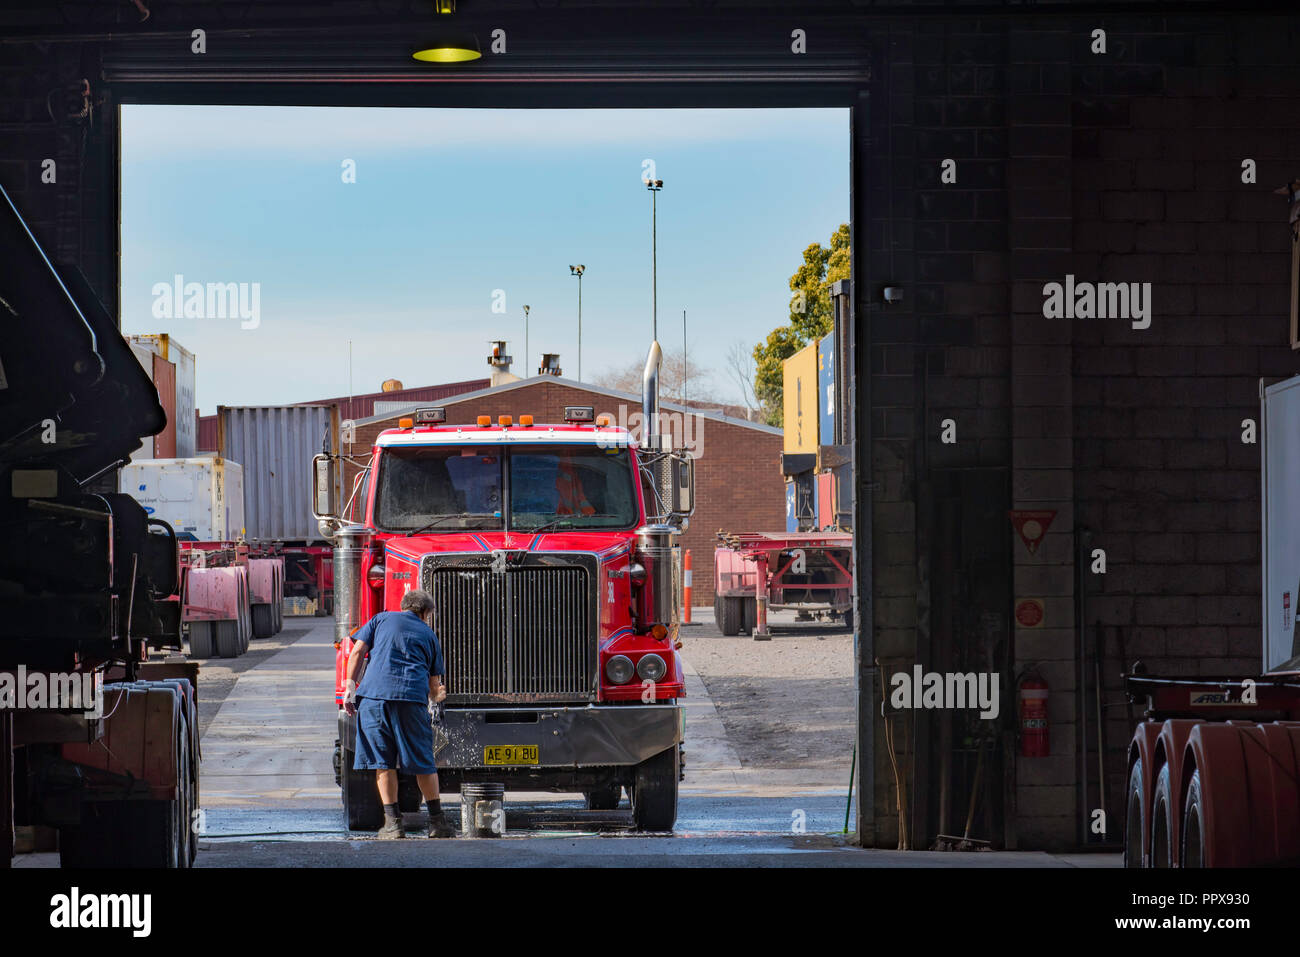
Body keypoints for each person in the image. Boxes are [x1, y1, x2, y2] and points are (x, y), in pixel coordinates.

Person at [343, 589, 456, 839]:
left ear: (404, 606)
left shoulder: (380, 619)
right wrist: (437, 700)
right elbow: (434, 685)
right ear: (425, 613)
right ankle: (437, 823)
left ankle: (393, 825)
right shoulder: (429, 634)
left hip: (373, 699)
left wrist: (349, 687)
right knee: (423, 762)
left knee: (383, 762)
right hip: (409, 699)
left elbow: (357, 651)